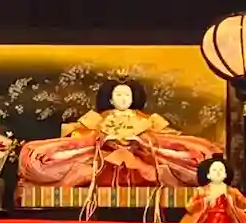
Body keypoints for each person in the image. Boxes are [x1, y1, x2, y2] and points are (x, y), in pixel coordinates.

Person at [18, 78, 219, 190]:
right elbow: (77, 137)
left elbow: (167, 137)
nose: (123, 98)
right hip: (101, 158)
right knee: (42, 156)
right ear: (111, 99)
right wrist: (101, 140)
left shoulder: (147, 119)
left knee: (196, 155)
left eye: (127, 94)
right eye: (119, 95)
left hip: (142, 157)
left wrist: (142, 142)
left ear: (134, 97)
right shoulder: (96, 118)